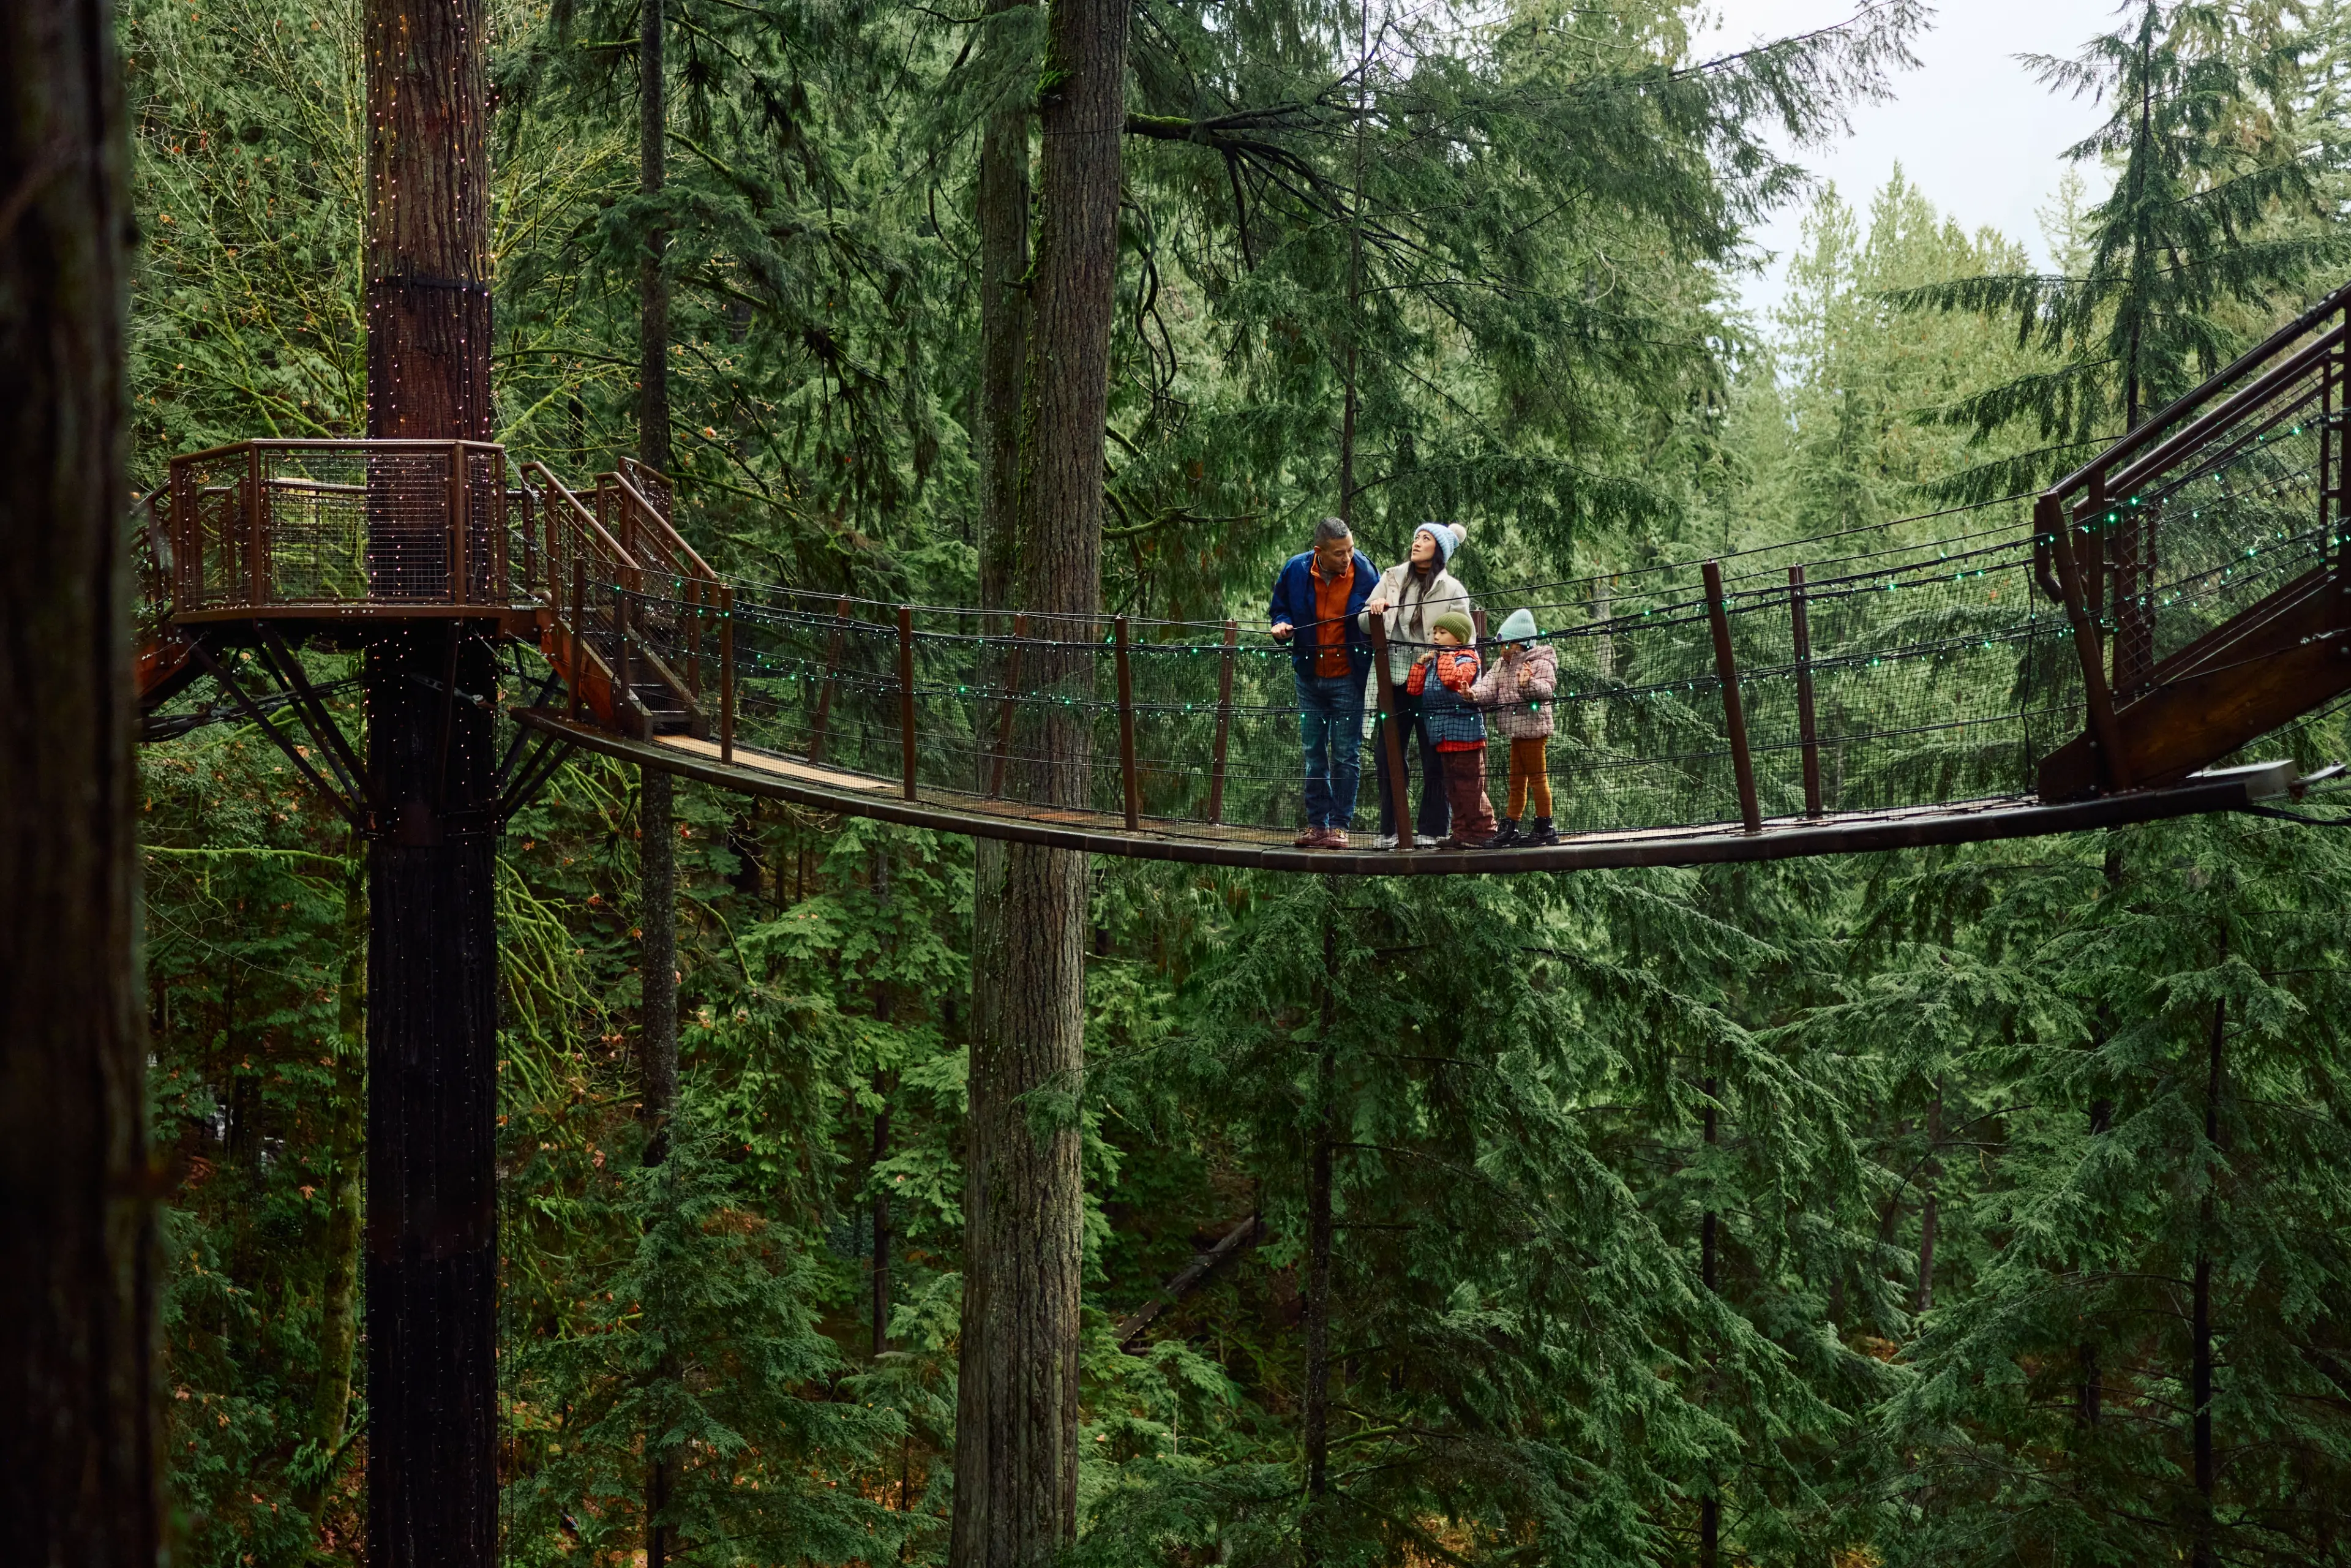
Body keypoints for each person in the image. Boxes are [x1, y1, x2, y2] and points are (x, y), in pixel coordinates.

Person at [1358, 520, 1472, 848]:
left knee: (1435, 756)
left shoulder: (1453, 590)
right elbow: (1363, 622)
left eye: (1426, 538)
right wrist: (1377, 610)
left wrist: (1446, 664)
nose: (1417, 542)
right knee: (1386, 754)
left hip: (1432, 683)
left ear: (1440, 549)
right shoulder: (1392, 578)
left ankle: (1433, 829)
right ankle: (1390, 829)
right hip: (1393, 679)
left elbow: (1467, 638)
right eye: (1416, 536)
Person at [1269, 516, 1378, 848]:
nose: (1347, 558)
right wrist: (1282, 626)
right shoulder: (1296, 570)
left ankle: (1340, 827)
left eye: (1350, 549)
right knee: (1313, 753)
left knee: (1346, 754)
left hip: (1348, 676)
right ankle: (1318, 825)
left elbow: (1375, 617)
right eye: (1338, 553)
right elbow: (1280, 609)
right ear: (1319, 551)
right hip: (1309, 676)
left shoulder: (1366, 571)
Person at [1406, 610, 1499, 849]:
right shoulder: (1436, 660)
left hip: (1466, 737)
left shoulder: (1468, 659)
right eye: (1434, 632)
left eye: (1442, 632)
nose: (1436, 636)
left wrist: (1444, 657)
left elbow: (1452, 681)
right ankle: (1461, 833)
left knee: (1470, 787)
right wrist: (1420, 665)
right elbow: (1415, 690)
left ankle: (1485, 832)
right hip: (1443, 738)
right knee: (1453, 789)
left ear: (1458, 638)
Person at [1469, 607, 1559, 847]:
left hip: (1533, 731)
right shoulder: (1502, 665)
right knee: (1517, 781)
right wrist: (1471, 694)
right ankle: (1512, 825)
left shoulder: (1540, 663)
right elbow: (1488, 687)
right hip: (1516, 732)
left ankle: (1544, 826)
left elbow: (1546, 690)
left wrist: (1527, 684)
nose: (1503, 650)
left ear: (1520, 644)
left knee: (1538, 779)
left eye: (1507, 645)